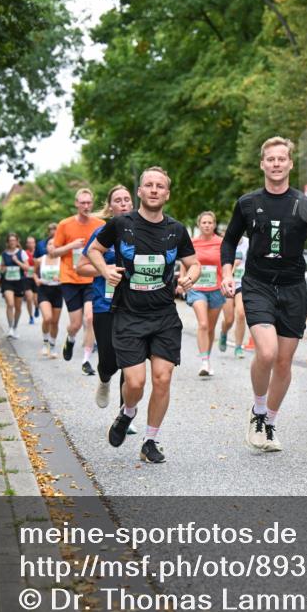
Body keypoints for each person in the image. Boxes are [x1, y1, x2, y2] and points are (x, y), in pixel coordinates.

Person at [220, 136, 307, 453]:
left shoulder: (305, 205)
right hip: (258, 285)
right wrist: (226, 272)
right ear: (263, 164)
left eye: (282, 159)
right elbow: (229, 241)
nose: (276, 164)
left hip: (292, 289)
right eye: (270, 159)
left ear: (290, 164)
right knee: (266, 352)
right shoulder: (247, 203)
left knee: (284, 362)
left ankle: (270, 420)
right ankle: (258, 410)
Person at [87, 167, 199, 464]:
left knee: (162, 379)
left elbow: (193, 262)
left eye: (159, 186)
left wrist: (191, 276)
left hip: (164, 315)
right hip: (128, 313)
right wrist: (105, 269)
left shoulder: (176, 229)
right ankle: (127, 412)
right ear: (139, 192)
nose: (153, 189)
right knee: (135, 383)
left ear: (166, 193)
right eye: (148, 185)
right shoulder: (121, 224)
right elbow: (94, 251)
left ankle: (150, 440)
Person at [77, 185, 138, 435]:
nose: (123, 204)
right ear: (110, 206)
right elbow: (81, 267)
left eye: (127, 200)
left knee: (130, 361)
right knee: (110, 360)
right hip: (104, 303)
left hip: (133, 305)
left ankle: (126, 413)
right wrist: (106, 269)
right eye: (118, 200)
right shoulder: (101, 234)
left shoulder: (140, 232)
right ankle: (104, 378)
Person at [54, 189, 104, 375]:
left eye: (89, 203)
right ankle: (71, 338)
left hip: (92, 277)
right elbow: (54, 252)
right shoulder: (64, 225)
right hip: (70, 278)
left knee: (90, 318)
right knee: (75, 324)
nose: (86, 206)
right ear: (76, 203)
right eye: (82, 203)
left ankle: (86, 360)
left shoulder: (100, 224)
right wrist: (71, 246)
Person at [183, 211, 226, 377]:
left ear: (214, 225)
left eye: (210, 223)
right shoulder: (192, 243)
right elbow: (186, 262)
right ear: (199, 225)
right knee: (202, 323)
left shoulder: (221, 243)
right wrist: (184, 280)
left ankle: (207, 357)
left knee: (210, 327)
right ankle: (204, 362)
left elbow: (227, 263)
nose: (207, 225)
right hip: (197, 288)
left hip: (216, 289)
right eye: (204, 223)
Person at [35, 224, 63, 358]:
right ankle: (45, 343)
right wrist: (36, 279)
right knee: (47, 318)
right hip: (44, 290)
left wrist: (62, 277)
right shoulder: (41, 260)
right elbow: (30, 271)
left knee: (55, 322)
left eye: (55, 244)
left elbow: (69, 274)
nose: (52, 246)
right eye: (50, 244)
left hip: (57, 291)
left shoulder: (62, 261)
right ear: (46, 246)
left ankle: (52, 346)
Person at [0, 233, 32, 339]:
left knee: (18, 307)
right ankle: (10, 328)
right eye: (10, 240)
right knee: (10, 304)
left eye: (14, 240)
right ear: (7, 242)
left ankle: (15, 327)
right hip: (7, 282)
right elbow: (2, 267)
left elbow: (27, 268)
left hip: (19, 282)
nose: (12, 242)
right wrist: (1, 268)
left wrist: (17, 261)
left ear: (17, 241)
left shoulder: (22, 253)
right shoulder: (4, 254)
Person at [228, 236, 249, 358]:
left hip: (242, 283)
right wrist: (234, 266)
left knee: (241, 314)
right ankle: (224, 332)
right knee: (229, 319)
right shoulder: (226, 242)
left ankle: (238, 347)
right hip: (228, 283)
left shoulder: (249, 242)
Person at [23, 236, 39, 323]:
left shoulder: (38, 252)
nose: (30, 244)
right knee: (29, 298)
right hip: (27, 278)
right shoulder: (24, 253)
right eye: (29, 242)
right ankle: (31, 317)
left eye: (32, 242)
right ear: (26, 244)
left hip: (36, 278)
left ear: (35, 243)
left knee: (36, 300)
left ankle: (37, 307)